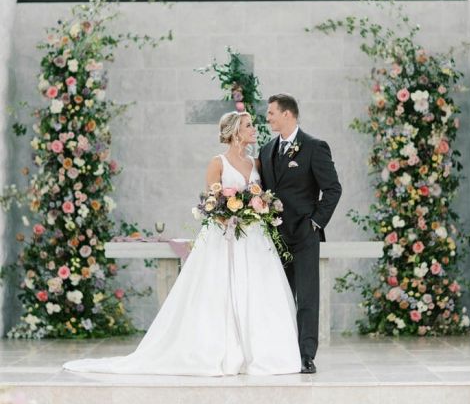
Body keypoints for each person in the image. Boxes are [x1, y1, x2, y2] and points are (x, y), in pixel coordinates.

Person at [63, 111, 301, 376]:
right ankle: (218, 350)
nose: (253, 129)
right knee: (217, 291)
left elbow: (263, 194)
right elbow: (213, 202)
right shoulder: (218, 162)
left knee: (259, 292)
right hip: (225, 237)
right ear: (235, 132)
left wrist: (258, 209)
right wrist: (230, 213)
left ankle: (259, 352)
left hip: (254, 239)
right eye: (248, 126)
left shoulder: (256, 163)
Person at [259, 94, 342, 374]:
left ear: (287, 114)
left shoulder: (314, 147)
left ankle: (306, 355)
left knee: (307, 297)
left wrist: (315, 223)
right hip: (275, 237)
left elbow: (333, 189)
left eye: (271, 113)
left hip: (305, 235)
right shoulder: (265, 150)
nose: (267, 117)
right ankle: (281, 352)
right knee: (279, 296)